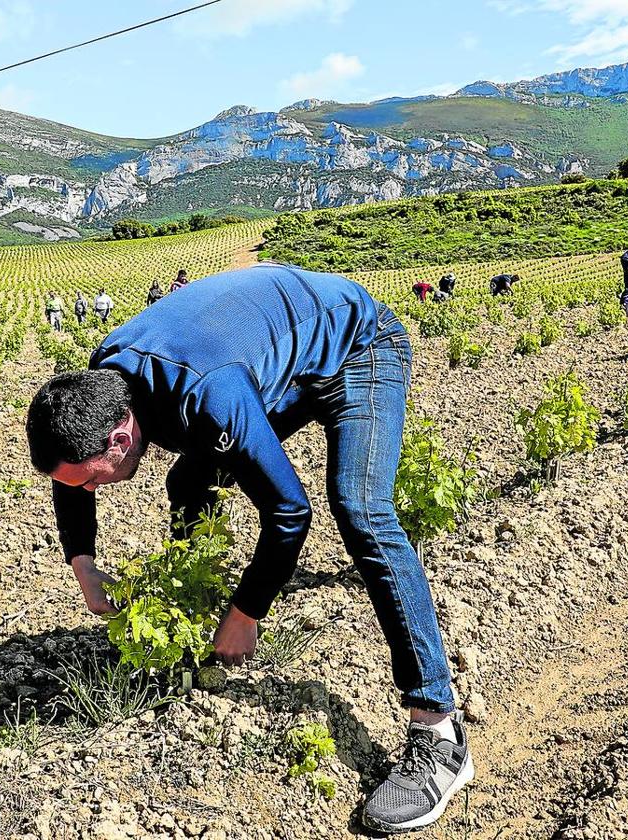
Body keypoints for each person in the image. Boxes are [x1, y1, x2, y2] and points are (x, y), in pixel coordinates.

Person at [26, 264, 472, 833]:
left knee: (360, 511)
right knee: (189, 482)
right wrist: (83, 561)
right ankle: (195, 620)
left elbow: (289, 514)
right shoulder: (105, 385)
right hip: (279, 359)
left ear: (121, 437)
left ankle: (438, 731)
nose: (89, 489)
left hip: (359, 345)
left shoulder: (207, 393)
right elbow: (70, 474)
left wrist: (246, 613)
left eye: (93, 478)